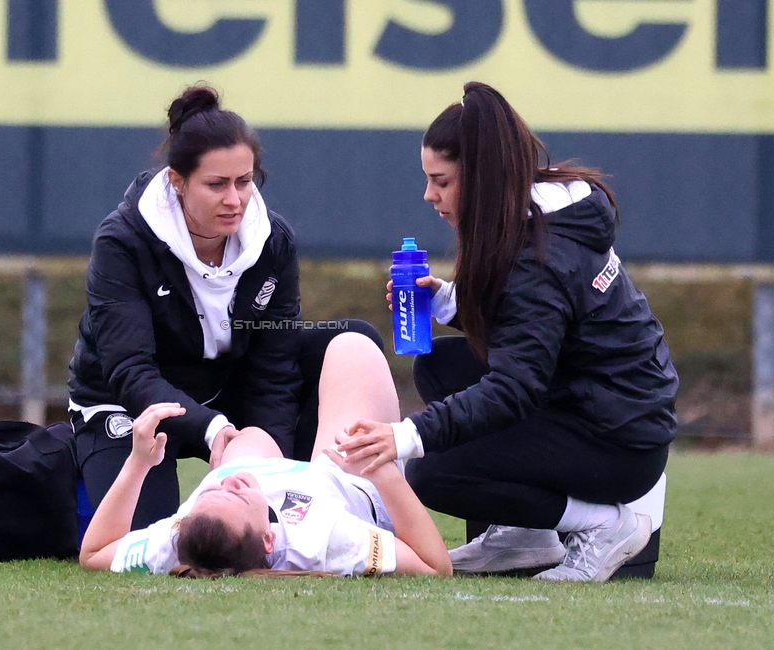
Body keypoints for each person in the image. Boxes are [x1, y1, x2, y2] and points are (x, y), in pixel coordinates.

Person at [338, 81, 679, 583]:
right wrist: (450, 301)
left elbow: (516, 387)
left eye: (442, 181)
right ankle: (527, 532)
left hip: (621, 441)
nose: (429, 194)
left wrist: (405, 435)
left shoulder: (539, 252)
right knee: (440, 365)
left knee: (434, 471)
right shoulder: (538, 214)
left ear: (482, 178)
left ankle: (605, 527)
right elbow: (545, 327)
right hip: (600, 405)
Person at [68, 84, 380, 531]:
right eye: (216, 185)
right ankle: (73, 458)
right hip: (132, 405)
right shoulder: (123, 241)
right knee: (151, 537)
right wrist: (213, 430)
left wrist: (271, 469)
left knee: (351, 342)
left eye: (244, 182)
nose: (234, 200)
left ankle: (343, 499)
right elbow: (129, 371)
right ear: (177, 181)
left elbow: (274, 370)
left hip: (226, 390)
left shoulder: (273, 240)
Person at [78, 332, 453, 578]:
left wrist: (138, 463)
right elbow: (437, 567)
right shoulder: (328, 541)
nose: (226, 483)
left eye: (208, 494)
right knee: (353, 346)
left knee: (249, 440)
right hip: (342, 476)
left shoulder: (177, 542)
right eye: (235, 495)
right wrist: (382, 471)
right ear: (269, 540)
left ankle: (266, 450)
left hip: (262, 466)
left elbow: (94, 553)